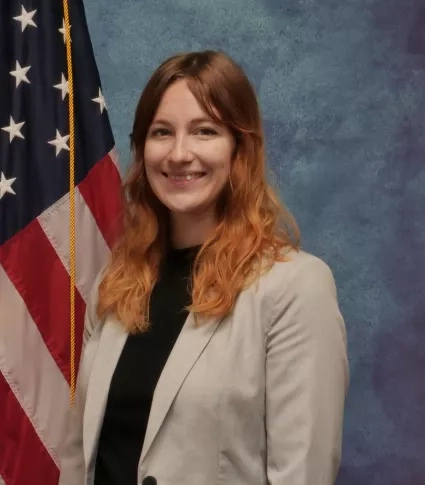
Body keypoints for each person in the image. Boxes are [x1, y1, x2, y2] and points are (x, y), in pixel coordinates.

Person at [58, 50, 349, 485]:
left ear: (240, 148)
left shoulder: (295, 288)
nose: (179, 153)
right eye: (161, 132)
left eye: (205, 131)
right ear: (142, 149)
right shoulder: (117, 283)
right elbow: (81, 459)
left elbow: (302, 475)